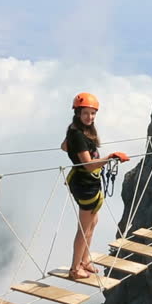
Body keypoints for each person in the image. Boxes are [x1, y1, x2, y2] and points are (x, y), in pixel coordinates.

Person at [61, 92, 130, 279]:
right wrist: (111, 158)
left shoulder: (78, 131)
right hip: (85, 184)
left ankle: (84, 261)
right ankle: (75, 269)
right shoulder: (78, 135)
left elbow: (63, 147)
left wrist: (74, 148)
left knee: (93, 222)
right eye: (85, 113)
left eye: (92, 114)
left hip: (88, 182)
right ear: (77, 113)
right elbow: (89, 164)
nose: (89, 117)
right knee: (84, 228)